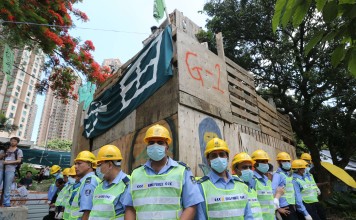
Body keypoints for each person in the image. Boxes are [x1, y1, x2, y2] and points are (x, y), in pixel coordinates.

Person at [124, 124, 203, 220]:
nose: (155, 146)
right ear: (147, 147)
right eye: (151, 142)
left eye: (160, 142)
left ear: (167, 147)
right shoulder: (136, 174)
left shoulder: (182, 171)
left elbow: (191, 206)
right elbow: (130, 208)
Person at [195, 138, 253, 219]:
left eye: (222, 154)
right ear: (208, 160)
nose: (218, 158)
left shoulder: (241, 185)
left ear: (227, 158)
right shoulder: (201, 187)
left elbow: (248, 216)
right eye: (214, 156)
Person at [89, 145, 130, 220]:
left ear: (110, 165)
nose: (97, 169)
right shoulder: (100, 186)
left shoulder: (127, 184)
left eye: (99, 165)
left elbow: (131, 213)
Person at [232, 152, 263, 219]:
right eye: (244, 167)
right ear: (235, 170)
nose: (248, 170)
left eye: (250, 167)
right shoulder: (234, 188)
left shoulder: (251, 186)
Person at [69, 151, 100, 220]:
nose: (75, 167)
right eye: (75, 164)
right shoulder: (85, 181)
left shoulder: (89, 182)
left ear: (89, 165)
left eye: (79, 163)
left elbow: (87, 212)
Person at [250, 149, 278, 220]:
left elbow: (270, 201)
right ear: (255, 164)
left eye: (266, 162)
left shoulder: (267, 179)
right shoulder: (252, 180)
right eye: (262, 161)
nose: (266, 164)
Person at [272, 152, 298, 220]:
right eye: (284, 161)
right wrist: (279, 208)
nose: (287, 162)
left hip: (292, 204)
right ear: (279, 162)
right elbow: (273, 191)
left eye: (288, 161)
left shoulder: (288, 174)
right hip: (284, 206)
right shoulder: (278, 175)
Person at [2, 137, 23, 207]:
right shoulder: (5, 149)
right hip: (1, 169)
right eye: (11, 141)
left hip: (10, 170)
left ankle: (6, 202)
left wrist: (8, 162)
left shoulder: (19, 151)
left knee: (7, 187)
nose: (12, 142)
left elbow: (19, 161)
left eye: (14, 141)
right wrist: (4, 154)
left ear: (17, 143)